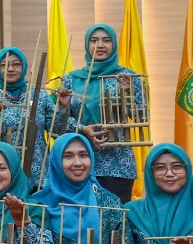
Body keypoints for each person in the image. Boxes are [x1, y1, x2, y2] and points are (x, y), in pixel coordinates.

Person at [59, 25, 145, 202]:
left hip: (118, 165)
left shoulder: (127, 77)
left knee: (116, 220)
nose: (100, 45)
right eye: (94, 40)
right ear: (87, 45)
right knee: (83, 219)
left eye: (106, 40)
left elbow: (141, 118)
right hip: (79, 163)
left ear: (114, 44)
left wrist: (128, 94)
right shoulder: (71, 79)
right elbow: (58, 125)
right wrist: (81, 128)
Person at [0, 45, 74, 186]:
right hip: (3, 174)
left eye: (16, 64)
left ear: (24, 67)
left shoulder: (39, 95)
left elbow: (57, 132)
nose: (10, 69)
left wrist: (63, 107)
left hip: (37, 173)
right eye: (4, 65)